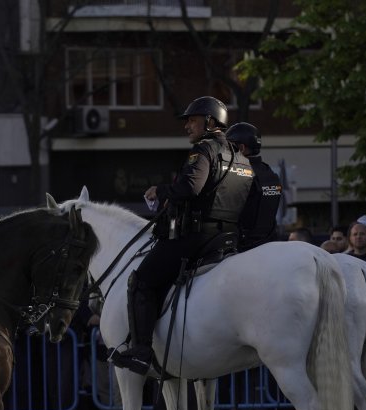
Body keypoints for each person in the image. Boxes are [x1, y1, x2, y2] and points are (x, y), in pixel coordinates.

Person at [111, 97, 256, 374]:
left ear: (211, 122)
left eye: (192, 119)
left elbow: (191, 187)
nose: (187, 125)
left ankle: (141, 352)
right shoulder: (242, 160)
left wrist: (162, 191)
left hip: (195, 239)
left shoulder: (203, 151)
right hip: (227, 241)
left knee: (141, 281)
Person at [224, 121, 283, 250]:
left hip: (242, 247)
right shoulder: (270, 173)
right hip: (269, 243)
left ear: (241, 148)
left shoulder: (237, 174)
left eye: (228, 147)